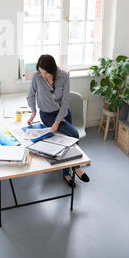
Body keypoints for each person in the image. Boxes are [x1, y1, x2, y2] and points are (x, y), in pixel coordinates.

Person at [27, 54, 90, 187]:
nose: (43, 75)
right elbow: (31, 95)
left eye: (45, 72)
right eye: (41, 72)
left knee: (70, 139)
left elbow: (66, 102)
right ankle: (71, 171)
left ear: (53, 69)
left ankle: (72, 168)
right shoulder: (37, 77)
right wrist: (33, 112)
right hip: (47, 115)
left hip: (63, 113)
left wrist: (57, 123)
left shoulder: (64, 76)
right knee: (74, 134)